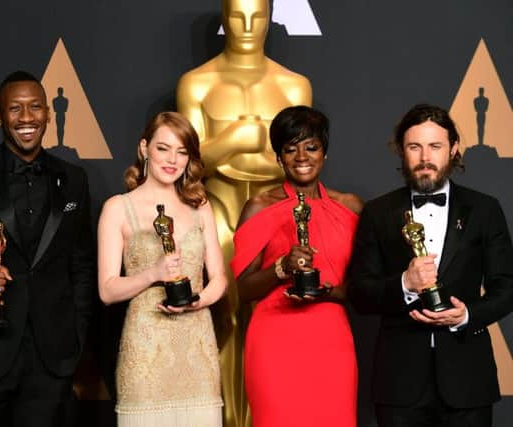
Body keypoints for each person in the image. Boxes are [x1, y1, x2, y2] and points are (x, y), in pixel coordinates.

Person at [177, 2, 312, 423]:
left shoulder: (293, 86)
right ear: (223, 18)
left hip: (279, 211)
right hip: (216, 208)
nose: (248, 26)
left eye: (258, 16)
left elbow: (303, 162)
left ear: (271, 18)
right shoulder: (197, 84)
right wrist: (235, 138)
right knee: (222, 317)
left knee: (277, 317)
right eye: (237, 16)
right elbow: (187, 164)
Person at [347, 104, 513, 427]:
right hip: (398, 384)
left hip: (468, 381)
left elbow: (507, 287)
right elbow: (359, 292)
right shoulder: (377, 213)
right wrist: (404, 284)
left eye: (435, 146)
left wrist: (466, 315)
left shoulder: (484, 209)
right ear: (401, 152)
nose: (425, 157)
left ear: (453, 149)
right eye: (415, 147)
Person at [0, 70, 96, 426]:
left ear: (47, 113)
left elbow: (82, 263)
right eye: (15, 109)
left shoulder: (74, 180)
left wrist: (76, 336)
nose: (26, 118)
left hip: (51, 357)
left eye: (34, 107)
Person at [230, 106, 362, 427]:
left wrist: (329, 291)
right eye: (290, 148)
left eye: (311, 147)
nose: (302, 156)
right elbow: (243, 290)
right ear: (279, 157)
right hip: (274, 342)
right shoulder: (259, 206)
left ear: (324, 153)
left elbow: (364, 288)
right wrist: (281, 267)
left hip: (331, 342)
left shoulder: (351, 208)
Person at [97, 111, 228, 426]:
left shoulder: (201, 206)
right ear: (144, 148)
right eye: (163, 148)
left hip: (198, 351)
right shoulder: (118, 208)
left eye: (182, 152)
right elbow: (107, 290)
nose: (173, 159)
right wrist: (152, 274)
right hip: (145, 353)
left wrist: (199, 301)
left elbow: (220, 279)